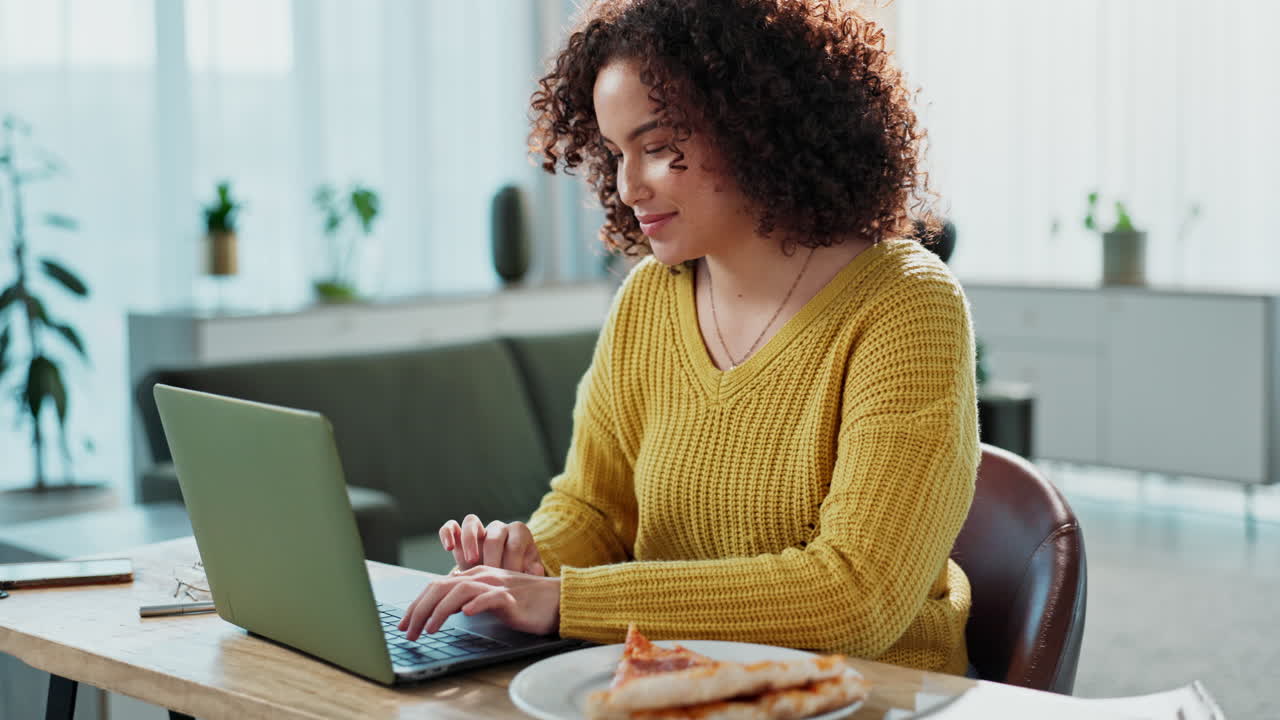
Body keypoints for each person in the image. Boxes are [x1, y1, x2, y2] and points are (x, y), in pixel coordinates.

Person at [399, 0, 979, 676]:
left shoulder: (906, 306)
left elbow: (856, 595)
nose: (627, 184)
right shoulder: (650, 298)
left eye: (658, 146)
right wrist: (527, 563)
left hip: (870, 697)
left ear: (756, 125)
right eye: (617, 153)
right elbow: (595, 508)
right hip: (673, 683)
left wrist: (565, 599)